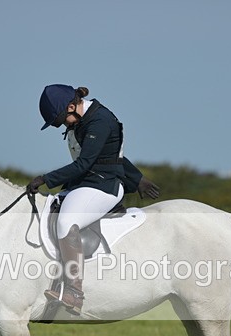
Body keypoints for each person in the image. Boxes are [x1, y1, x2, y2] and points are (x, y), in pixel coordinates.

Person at [28, 84, 160, 315]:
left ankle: (74, 292)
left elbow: (84, 163)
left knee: (66, 222)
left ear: (72, 106)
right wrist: (138, 178)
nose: (62, 125)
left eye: (61, 120)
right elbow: (108, 153)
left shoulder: (100, 121)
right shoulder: (81, 119)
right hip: (85, 184)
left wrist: (45, 178)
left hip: (103, 187)